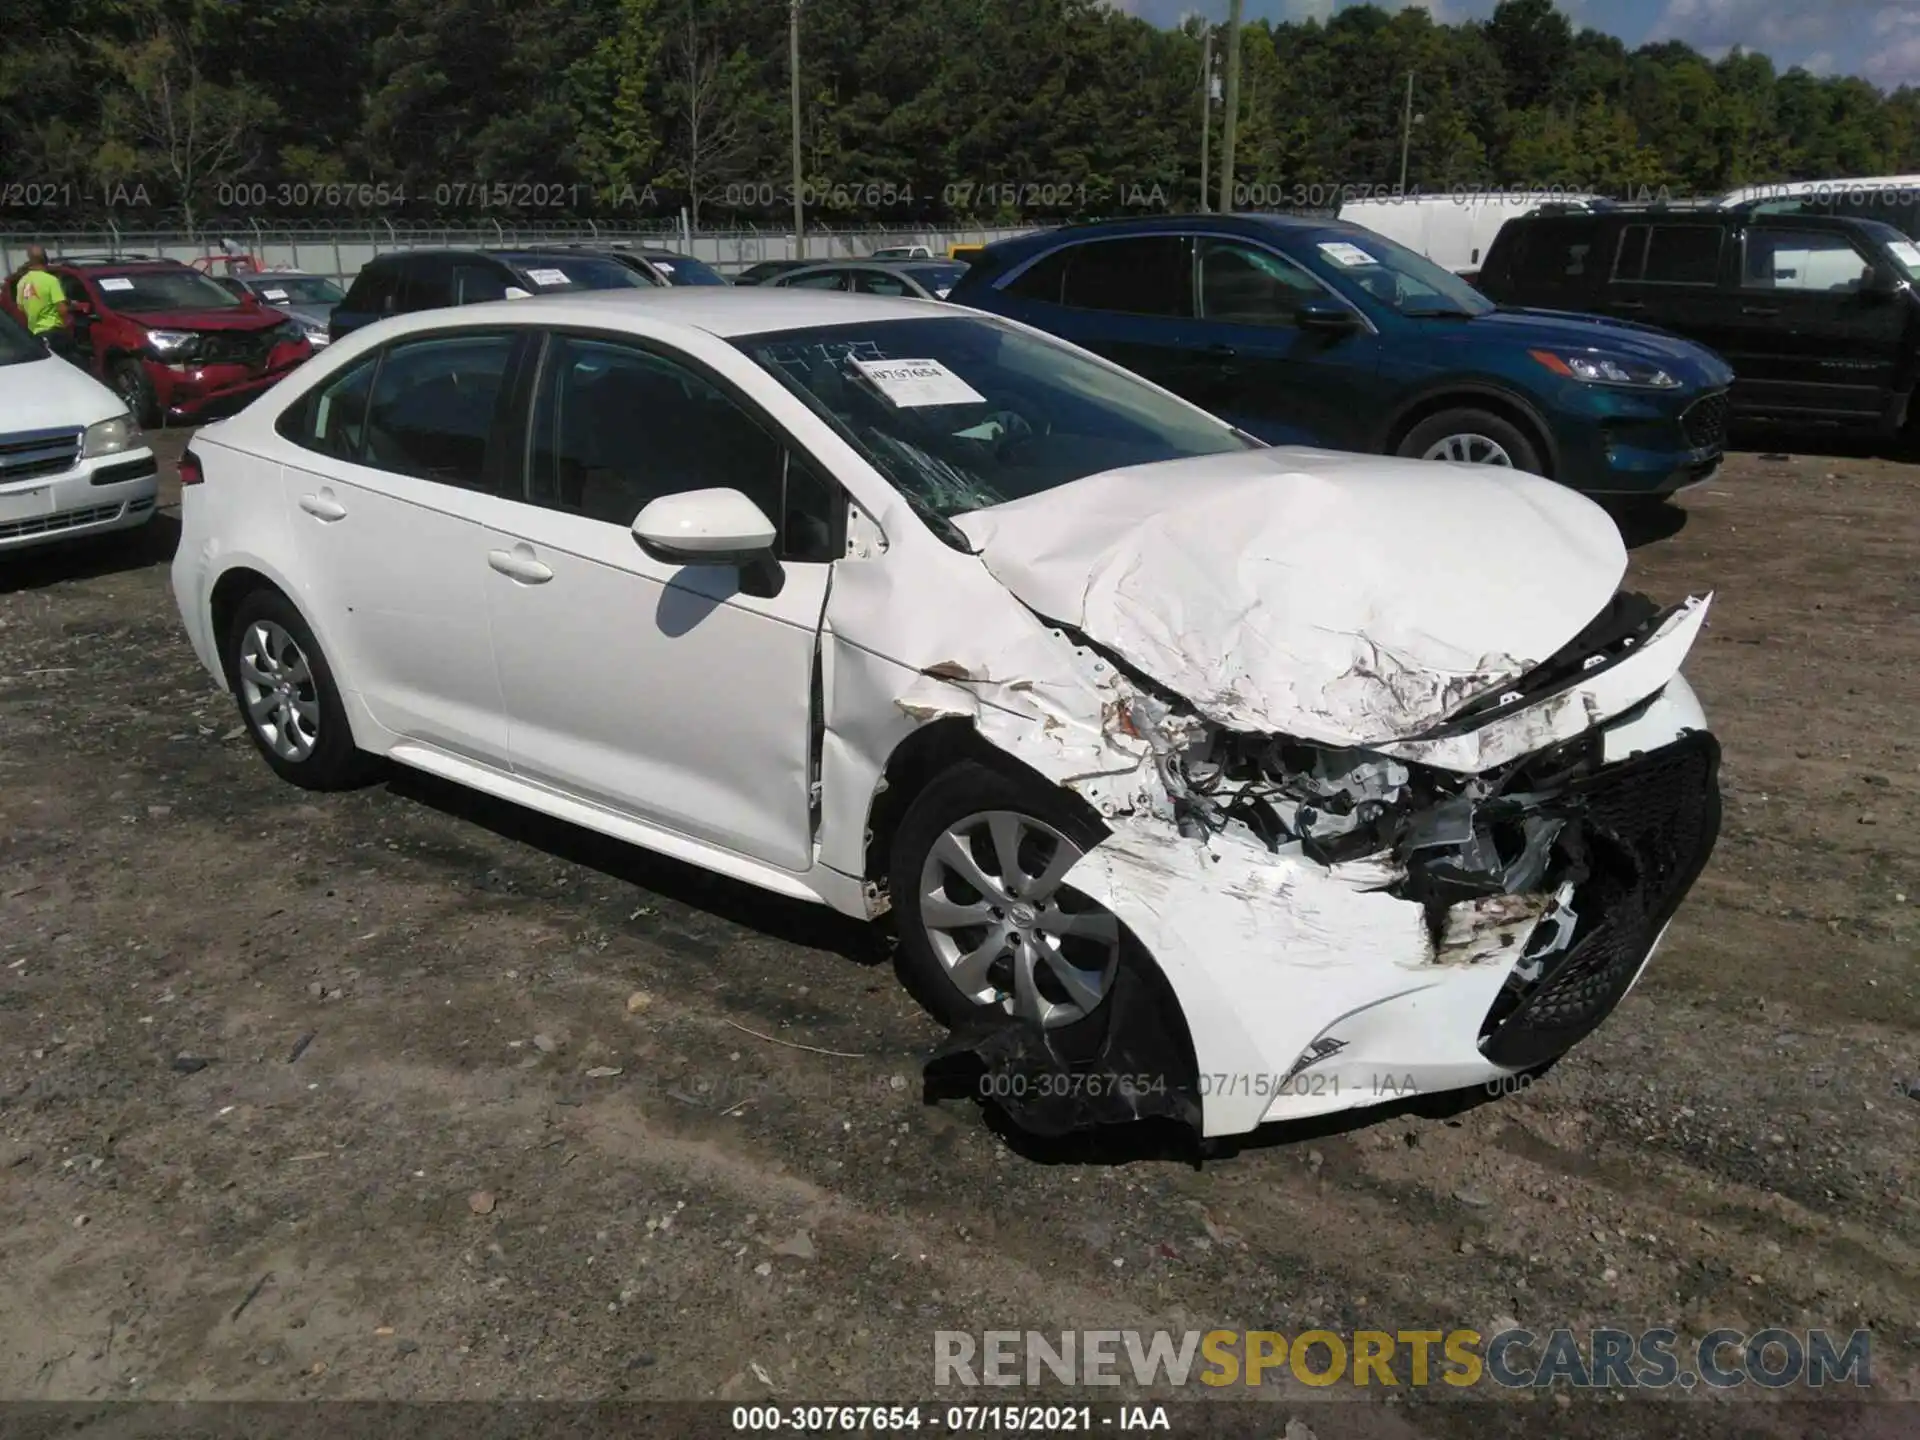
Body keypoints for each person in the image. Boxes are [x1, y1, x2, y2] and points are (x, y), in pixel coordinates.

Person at [12, 246, 77, 364]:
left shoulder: (22, 282)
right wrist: (71, 307)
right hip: (54, 333)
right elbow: (62, 309)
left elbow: (21, 307)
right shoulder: (51, 281)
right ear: (45, 260)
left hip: (35, 335)